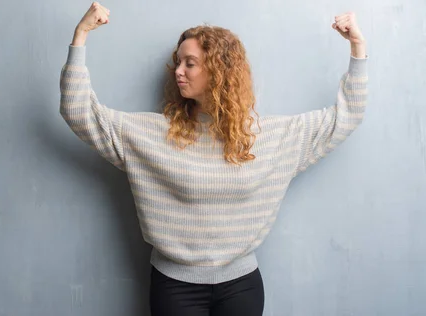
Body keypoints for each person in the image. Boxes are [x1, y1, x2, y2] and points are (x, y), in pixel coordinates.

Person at [59, 2, 368, 315]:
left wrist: (357, 46)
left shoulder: (269, 136)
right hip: (175, 286)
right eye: (178, 62)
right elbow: (78, 111)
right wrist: (80, 35)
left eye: (189, 63)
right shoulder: (152, 134)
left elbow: (345, 116)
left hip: (242, 286)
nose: (178, 71)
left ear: (218, 71)